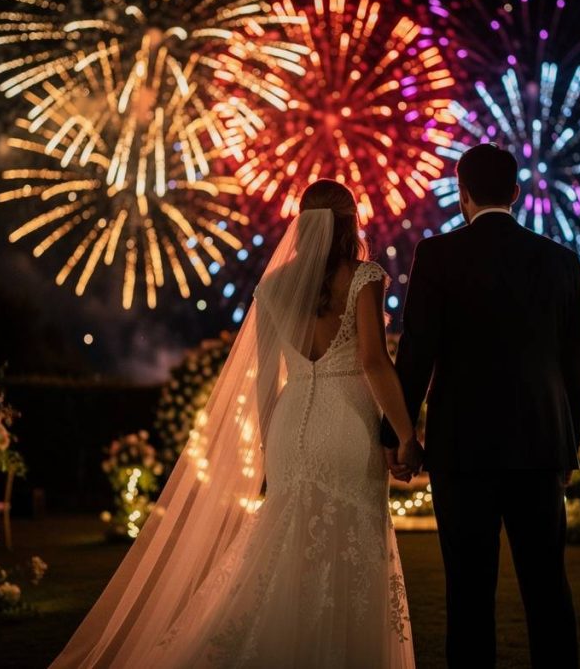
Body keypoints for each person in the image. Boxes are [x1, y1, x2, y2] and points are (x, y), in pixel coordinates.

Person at [51, 180, 423, 668]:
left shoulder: (274, 287)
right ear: (350, 222)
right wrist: (406, 435)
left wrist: (272, 446)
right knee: (350, 547)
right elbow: (374, 361)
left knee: (288, 550)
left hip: (292, 427)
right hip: (348, 424)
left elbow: (266, 379)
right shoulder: (364, 276)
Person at [380, 142, 580, 669]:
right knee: (547, 590)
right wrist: (569, 447)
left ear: (462, 194)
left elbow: (416, 351)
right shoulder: (562, 263)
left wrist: (397, 436)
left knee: (468, 595)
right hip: (542, 447)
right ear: (517, 193)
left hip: (463, 448)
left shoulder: (438, 255)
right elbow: (576, 368)